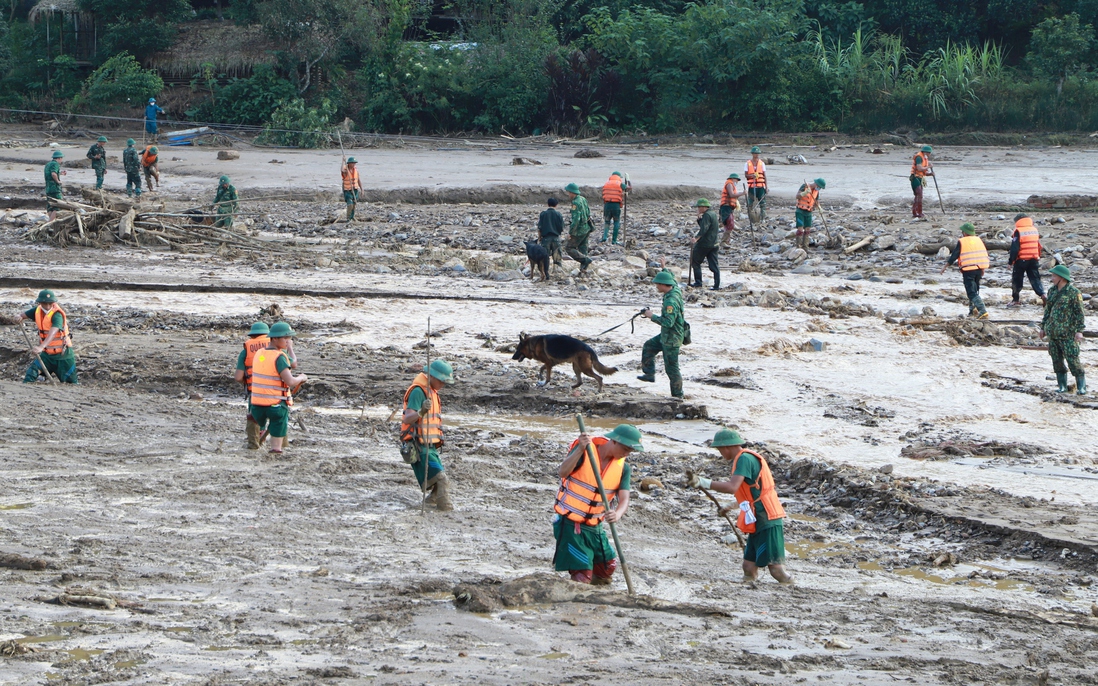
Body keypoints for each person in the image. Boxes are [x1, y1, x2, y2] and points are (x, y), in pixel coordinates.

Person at [687, 429, 792, 585]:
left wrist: (703, 482)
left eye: (719, 449)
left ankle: (790, 588)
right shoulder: (744, 459)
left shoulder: (744, 459)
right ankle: (749, 592)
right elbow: (751, 493)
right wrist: (729, 506)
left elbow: (732, 487)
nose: (720, 453)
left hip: (767, 517)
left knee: (776, 570)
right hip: (758, 517)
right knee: (748, 567)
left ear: (726, 447)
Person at [552, 424, 643, 585]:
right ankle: (579, 603)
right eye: (625, 449)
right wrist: (580, 449)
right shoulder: (584, 451)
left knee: (607, 569)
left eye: (630, 451)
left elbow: (624, 499)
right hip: (571, 523)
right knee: (582, 575)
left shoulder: (623, 468)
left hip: (595, 526)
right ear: (614, 441)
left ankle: (594, 595)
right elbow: (562, 472)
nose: (627, 454)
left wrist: (617, 513)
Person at [400, 359, 456, 511]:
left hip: (430, 445)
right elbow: (407, 418)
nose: (443, 385)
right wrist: (420, 412)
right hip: (418, 445)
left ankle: (430, 503)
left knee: (439, 484)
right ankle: (446, 510)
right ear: (432, 376)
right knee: (441, 479)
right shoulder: (419, 392)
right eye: (442, 381)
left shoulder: (432, 392)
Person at [248, 322, 306, 455]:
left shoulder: (259, 353)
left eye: (290, 338)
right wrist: (301, 378)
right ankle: (276, 450)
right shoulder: (279, 357)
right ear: (274, 338)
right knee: (278, 425)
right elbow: (290, 381)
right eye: (285, 338)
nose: (288, 341)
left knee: (258, 424)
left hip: (256, 405)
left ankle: (253, 445)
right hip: (276, 405)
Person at [638, 268, 686, 398]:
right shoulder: (675, 288)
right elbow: (672, 278)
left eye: (658, 284)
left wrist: (651, 316)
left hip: (672, 339)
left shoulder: (671, 301)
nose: (656, 286)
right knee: (649, 346)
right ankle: (649, 374)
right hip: (666, 336)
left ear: (663, 285)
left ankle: (678, 396)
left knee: (672, 369)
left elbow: (668, 322)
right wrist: (664, 267)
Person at [1041, 265, 1087, 395]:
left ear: (1061, 278)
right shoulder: (1052, 291)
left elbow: (1080, 313)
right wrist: (1043, 327)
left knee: (1073, 360)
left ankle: (1081, 386)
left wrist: (1079, 330)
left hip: (1068, 333)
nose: (1052, 278)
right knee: (1057, 361)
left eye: (1054, 276)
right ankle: (1062, 386)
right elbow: (1047, 311)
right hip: (1053, 332)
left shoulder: (1074, 293)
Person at [17, 289, 78, 384]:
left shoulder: (57, 314)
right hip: (47, 356)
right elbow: (23, 315)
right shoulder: (37, 311)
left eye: (50, 303)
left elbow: (53, 331)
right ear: (40, 303)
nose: (48, 306)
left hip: (63, 356)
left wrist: (41, 347)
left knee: (71, 382)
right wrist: (19, 317)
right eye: (45, 304)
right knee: (31, 374)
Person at [234, 322, 273, 449]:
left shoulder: (245, 351)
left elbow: (238, 377)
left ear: (252, 336)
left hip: (255, 391)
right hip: (275, 391)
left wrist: (247, 382)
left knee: (255, 417)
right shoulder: (276, 348)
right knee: (278, 417)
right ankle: (278, 444)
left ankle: (255, 441)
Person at [941, 222, 989, 319]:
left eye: (963, 231)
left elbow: (955, 254)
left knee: (971, 292)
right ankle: (972, 311)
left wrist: (946, 266)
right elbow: (982, 254)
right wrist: (982, 268)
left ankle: (982, 310)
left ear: (965, 232)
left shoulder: (962, 241)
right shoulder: (978, 240)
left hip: (969, 270)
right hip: (979, 268)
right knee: (975, 290)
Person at [1007, 213, 1046, 308]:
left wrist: (1010, 261)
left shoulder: (1018, 231)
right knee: (1035, 278)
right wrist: (1037, 256)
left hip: (1021, 259)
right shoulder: (1034, 230)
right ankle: (1043, 295)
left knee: (1017, 280)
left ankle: (1015, 300)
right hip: (1033, 258)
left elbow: (1015, 248)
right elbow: (1038, 245)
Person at [688, 198, 721, 291]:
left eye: (699, 207)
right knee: (714, 265)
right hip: (714, 243)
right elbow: (705, 226)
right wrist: (699, 220)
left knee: (695, 261)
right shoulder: (713, 214)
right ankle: (716, 285)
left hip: (705, 244)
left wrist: (696, 238)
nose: (698, 209)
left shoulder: (706, 215)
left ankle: (698, 282)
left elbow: (704, 229)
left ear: (704, 207)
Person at [563, 182, 593, 273]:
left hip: (579, 230)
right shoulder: (583, 199)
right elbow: (588, 212)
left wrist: (571, 232)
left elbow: (576, 219)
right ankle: (583, 268)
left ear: (572, 192)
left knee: (569, 248)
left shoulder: (575, 203)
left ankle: (585, 260)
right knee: (583, 247)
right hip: (587, 227)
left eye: (569, 192)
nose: (568, 194)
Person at [794, 178, 826, 250]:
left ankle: (805, 247)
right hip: (800, 210)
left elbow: (816, 201)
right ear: (816, 184)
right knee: (800, 229)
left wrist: (819, 208)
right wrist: (804, 193)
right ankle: (798, 246)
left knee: (808, 229)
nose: (819, 188)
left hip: (809, 212)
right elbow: (797, 196)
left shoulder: (816, 192)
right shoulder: (805, 186)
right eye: (819, 187)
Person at [600, 171, 630, 244]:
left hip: (607, 204)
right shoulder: (620, 184)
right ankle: (614, 240)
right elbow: (629, 188)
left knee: (607, 221)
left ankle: (604, 237)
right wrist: (628, 181)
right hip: (616, 205)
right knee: (616, 222)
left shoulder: (607, 183)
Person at [538, 197, 564, 270]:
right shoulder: (559, 214)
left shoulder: (543, 214)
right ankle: (557, 271)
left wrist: (539, 237)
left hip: (546, 238)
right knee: (557, 257)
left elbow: (540, 227)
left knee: (545, 257)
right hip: (556, 237)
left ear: (548, 204)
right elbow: (561, 227)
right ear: (556, 205)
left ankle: (545, 272)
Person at [719, 173, 744, 245]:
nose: (737, 182)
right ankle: (724, 241)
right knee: (730, 224)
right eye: (737, 180)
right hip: (725, 207)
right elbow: (732, 195)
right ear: (733, 179)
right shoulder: (729, 184)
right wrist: (742, 193)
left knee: (729, 224)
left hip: (729, 207)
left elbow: (734, 197)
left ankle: (727, 241)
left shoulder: (732, 185)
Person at [744, 146, 768, 220]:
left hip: (760, 187)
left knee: (762, 203)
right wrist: (752, 175)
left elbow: (764, 176)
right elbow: (746, 175)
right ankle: (751, 217)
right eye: (755, 153)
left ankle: (763, 217)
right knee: (750, 202)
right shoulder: (747, 163)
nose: (756, 155)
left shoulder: (762, 163)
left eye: (757, 153)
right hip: (752, 186)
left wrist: (766, 187)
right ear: (752, 154)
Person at [910, 145, 933, 219]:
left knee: (919, 196)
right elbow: (919, 168)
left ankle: (918, 212)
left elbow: (924, 172)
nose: (930, 155)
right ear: (926, 152)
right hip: (915, 178)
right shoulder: (919, 157)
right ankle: (916, 212)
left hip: (920, 178)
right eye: (929, 153)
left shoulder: (924, 158)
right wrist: (928, 167)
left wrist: (930, 174)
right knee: (918, 195)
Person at [44, 150, 65, 221]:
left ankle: (49, 221)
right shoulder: (55, 164)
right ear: (59, 158)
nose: (61, 160)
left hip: (48, 188)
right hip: (55, 188)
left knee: (50, 206)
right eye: (61, 159)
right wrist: (58, 181)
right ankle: (51, 223)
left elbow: (50, 174)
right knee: (57, 205)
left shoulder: (48, 164)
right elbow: (53, 174)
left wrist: (60, 173)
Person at [341, 156, 363, 221]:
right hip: (348, 190)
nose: (353, 164)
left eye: (354, 163)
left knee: (354, 204)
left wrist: (362, 189)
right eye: (352, 163)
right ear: (349, 163)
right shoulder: (346, 170)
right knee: (350, 204)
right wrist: (343, 161)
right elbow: (342, 170)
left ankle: (352, 217)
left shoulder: (356, 170)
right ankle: (348, 218)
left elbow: (358, 180)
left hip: (355, 189)